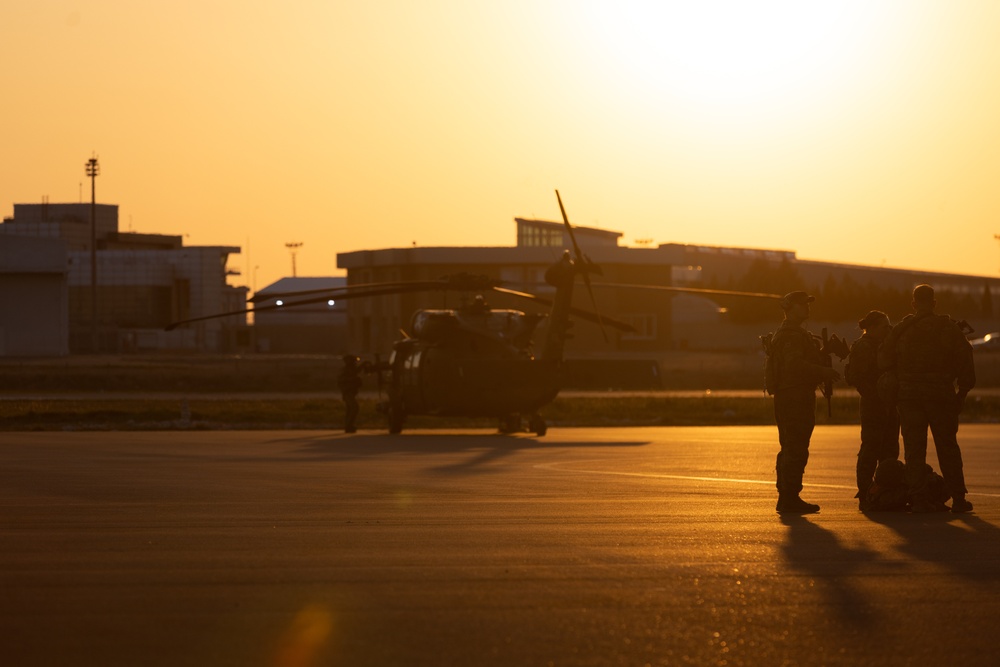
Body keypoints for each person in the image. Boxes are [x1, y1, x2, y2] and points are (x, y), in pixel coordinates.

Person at [878, 284, 975, 513]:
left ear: (913, 304)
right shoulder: (948, 328)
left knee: (914, 449)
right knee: (948, 447)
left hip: (910, 398)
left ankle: (919, 499)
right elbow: (965, 363)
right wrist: (961, 393)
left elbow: (883, 360)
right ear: (934, 303)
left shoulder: (902, 329)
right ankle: (959, 499)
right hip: (941, 396)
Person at [766, 291, 842, 514]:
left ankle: (788, 496)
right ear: (789, 308)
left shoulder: (797, 334)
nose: (807, 308)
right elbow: (794, 366)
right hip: (794, 397)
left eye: (807, 304)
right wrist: (823, 371)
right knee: (795, 448)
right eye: (802, 304)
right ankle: (789, 498)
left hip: (796, 395)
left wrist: (823, 353)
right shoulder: (790, 335)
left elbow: (801, 361)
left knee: (792, 447)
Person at [845, 310, 900, 510]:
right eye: (885, 326)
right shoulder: (864, 346)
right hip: (873, 404)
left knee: (890, 449)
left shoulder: (884, 345)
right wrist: (875, 394)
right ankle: (865, 493)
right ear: (874, 328)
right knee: (871, 448)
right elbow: (856, 377)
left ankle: (886, 493)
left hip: (889, 404)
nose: (888, 330)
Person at [338, 354, 365, 433]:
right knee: (354, 408)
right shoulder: (347, 371)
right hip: (348, 392)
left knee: (350, 409)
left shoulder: (349, 370)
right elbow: (344, 380)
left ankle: (349, 426)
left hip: (350, 392)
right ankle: (349, 426)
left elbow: (356, 371)